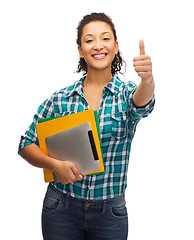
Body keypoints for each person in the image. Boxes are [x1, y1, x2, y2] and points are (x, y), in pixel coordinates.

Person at [18, 12, 155, 240]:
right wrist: (54, 165)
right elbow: (26, 143)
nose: (98, 46)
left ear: (116, 45)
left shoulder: (126, 94)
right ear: (81, 50)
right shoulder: (61, 99)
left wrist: (148, 80)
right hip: (60, 207)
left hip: (109, 213)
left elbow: (141, 103)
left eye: (105, 38)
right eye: (89, 40)